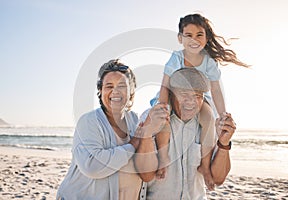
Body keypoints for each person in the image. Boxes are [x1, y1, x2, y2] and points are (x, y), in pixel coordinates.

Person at [154, 13, 248, 190]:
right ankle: (163, 156)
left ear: (206, 38)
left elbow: (216, 89)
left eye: (199, 35)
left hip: (199, 100)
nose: (194, 40)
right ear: (180, 38)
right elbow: (165, 85)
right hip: (172, 96)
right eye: (188, 35)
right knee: (162, 119)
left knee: (208, 118)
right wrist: (162, 106)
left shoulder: (209, 61)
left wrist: (222, 114)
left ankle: (204, 164)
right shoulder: (177, 57)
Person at [56, 59, 169, 200]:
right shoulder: (89, 121)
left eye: (122, 86)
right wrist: (133, 145)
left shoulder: (135, 121)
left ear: (131, 91)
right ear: (100, 91)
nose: (115, 91)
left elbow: (146, 172)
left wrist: (147, 135)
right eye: (109, 86)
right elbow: (92, 166)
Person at [134, 68, 237, 199]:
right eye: (184, 94)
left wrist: (224, 144)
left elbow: (218, 179)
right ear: (171, 94)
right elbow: (146, 175)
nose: (191, 101)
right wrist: (147, 134)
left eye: (197, 96)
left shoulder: (209, 124)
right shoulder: (152, 119)